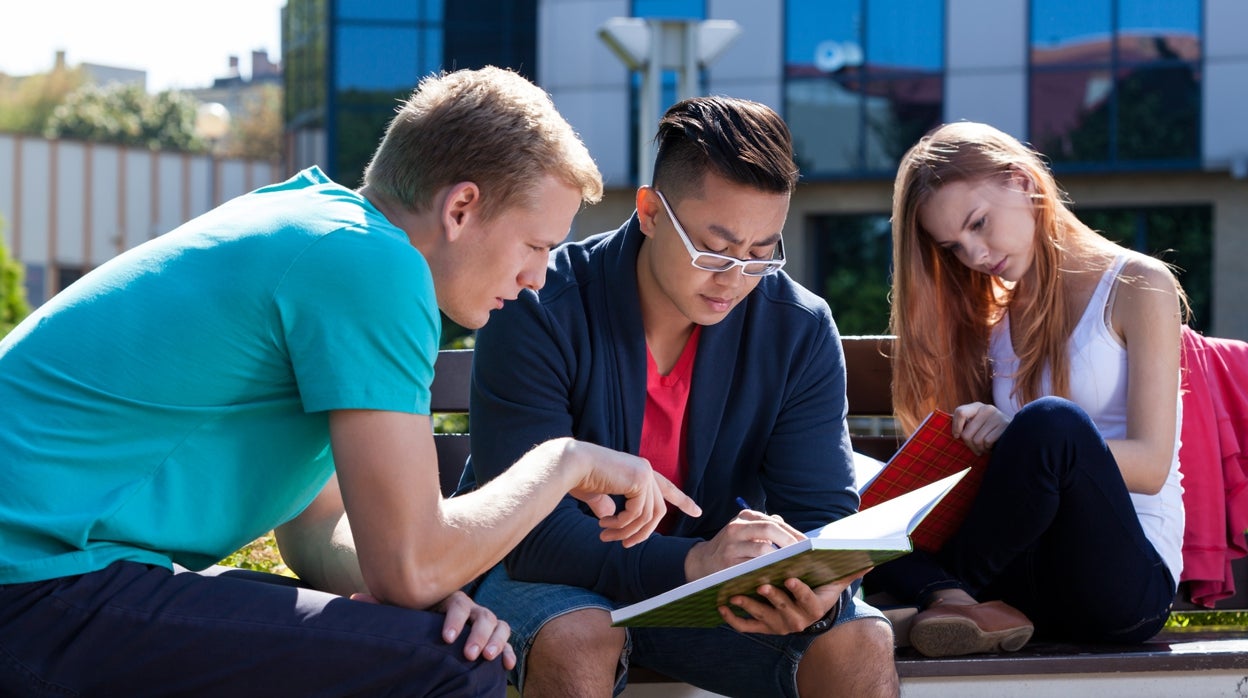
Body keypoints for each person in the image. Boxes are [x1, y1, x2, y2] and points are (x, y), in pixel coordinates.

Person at [0, 66, 699, 696]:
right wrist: (564, 461)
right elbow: (412, 563)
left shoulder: (322, 232)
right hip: (32, 587)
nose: (539, 277)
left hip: (62, 576)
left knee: (433, 642)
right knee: (451, 670)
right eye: (536, 245)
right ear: (461, 209)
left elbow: (318, 526)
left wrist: (418, 593)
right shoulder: (372, 267)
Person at [460, 96, 899, 698]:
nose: (733, 279)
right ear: (649, 211)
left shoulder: (797, 327)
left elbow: (820, 511)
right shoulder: (540, 305)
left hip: (716, 590)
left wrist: (817, 593)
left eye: (760, 254)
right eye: (713, 249)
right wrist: (692, 565)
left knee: (857, 641)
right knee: (579, 635)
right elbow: (535, 535)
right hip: (554, 577)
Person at [870, 121, 1186, 658]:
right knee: (871, 519)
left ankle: (940, 594)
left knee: (1051, 425)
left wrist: (1014, 435)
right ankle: (953, 600)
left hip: (1122, 582)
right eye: (953, 245)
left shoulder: (1138, 285)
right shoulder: (992, 321)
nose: (972, 254)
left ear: (1021, 180)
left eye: (979, 224)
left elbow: (1153, 464)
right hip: (1024, 585)